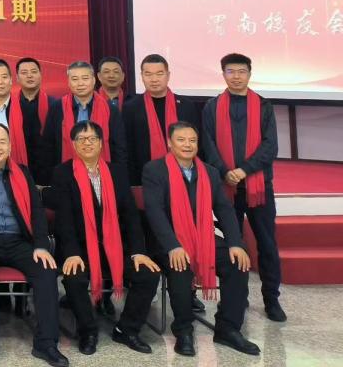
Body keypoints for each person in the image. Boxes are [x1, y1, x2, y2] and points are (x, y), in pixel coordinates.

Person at [142, 121, 259, 357]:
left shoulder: (209, 172)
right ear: (169, 143)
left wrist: (235, 243)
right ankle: (184, 331)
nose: (187, 145)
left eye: (192, 140)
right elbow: (155, 212)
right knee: (180, 266)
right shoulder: (154, 170)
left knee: (237, 262)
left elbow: (224, 209)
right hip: (167, 241)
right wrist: (173, 246)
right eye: (181, 140)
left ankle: (228, 328)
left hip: (203, 237)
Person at [0, 124, 66, 367]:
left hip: (19, 241)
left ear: (10, 146)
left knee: (47, 271)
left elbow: (36, 210)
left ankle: (46, 343)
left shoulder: (22, 172)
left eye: (2, 142)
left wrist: (41, 245)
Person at [51, 121, 160, 355]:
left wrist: (138, 252)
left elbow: (131, 216)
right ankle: (88, 331)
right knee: (74, 278)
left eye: (92, 138)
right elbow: (64, 220)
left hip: (116, 248)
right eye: (81, 139)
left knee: (148, 274)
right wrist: (71, 253)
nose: (87, 143)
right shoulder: (62, 173)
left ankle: (127, 329)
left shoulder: (117, 172)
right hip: (80, 248)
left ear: (101, 143)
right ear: (73, 144)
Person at [200, 52, 285, 322]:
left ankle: (272, 299)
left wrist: (244, 170)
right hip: (226, 189)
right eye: (230, 71)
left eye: (241, 71)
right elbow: (207, 145)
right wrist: (225, 172)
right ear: (223, 74)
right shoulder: (212, 107)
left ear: (249, 73)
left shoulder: (264, 106)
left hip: (259, 188)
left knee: (267, 244)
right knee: (233, 244)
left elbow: (270, 146)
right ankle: (239, 297)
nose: (236, 76)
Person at [40, 62, 127, 187]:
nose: (80, 83)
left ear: (93, 80)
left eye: (85, 78)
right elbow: (48, 146)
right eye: (75, 79)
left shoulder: (109, 109)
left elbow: (119, 147)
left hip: (102, 175)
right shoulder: (57, 108)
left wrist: (119, 178)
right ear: (68, 82)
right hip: (66, 176)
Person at [122, 54, 200, 187]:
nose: (154, 79)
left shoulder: (186, 106)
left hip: (184, 176)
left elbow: (197, 144)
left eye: (159, 74)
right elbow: (128, 148)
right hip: (144, 178)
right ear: (142, 76)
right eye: (148, 74)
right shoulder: (131, 107)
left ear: (168, 75)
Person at [0, 59, 39, 176]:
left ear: (11, 80)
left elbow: (36, 146)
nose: (0, 82)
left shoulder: (27, 109)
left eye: (4, 77)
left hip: (21, 171)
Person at [15, 58, 50, 134]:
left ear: (40, 75)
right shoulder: (10, 104)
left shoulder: (54, 104)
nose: (29, 76)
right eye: (24, 73)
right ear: (17, 78)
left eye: (34, 72)